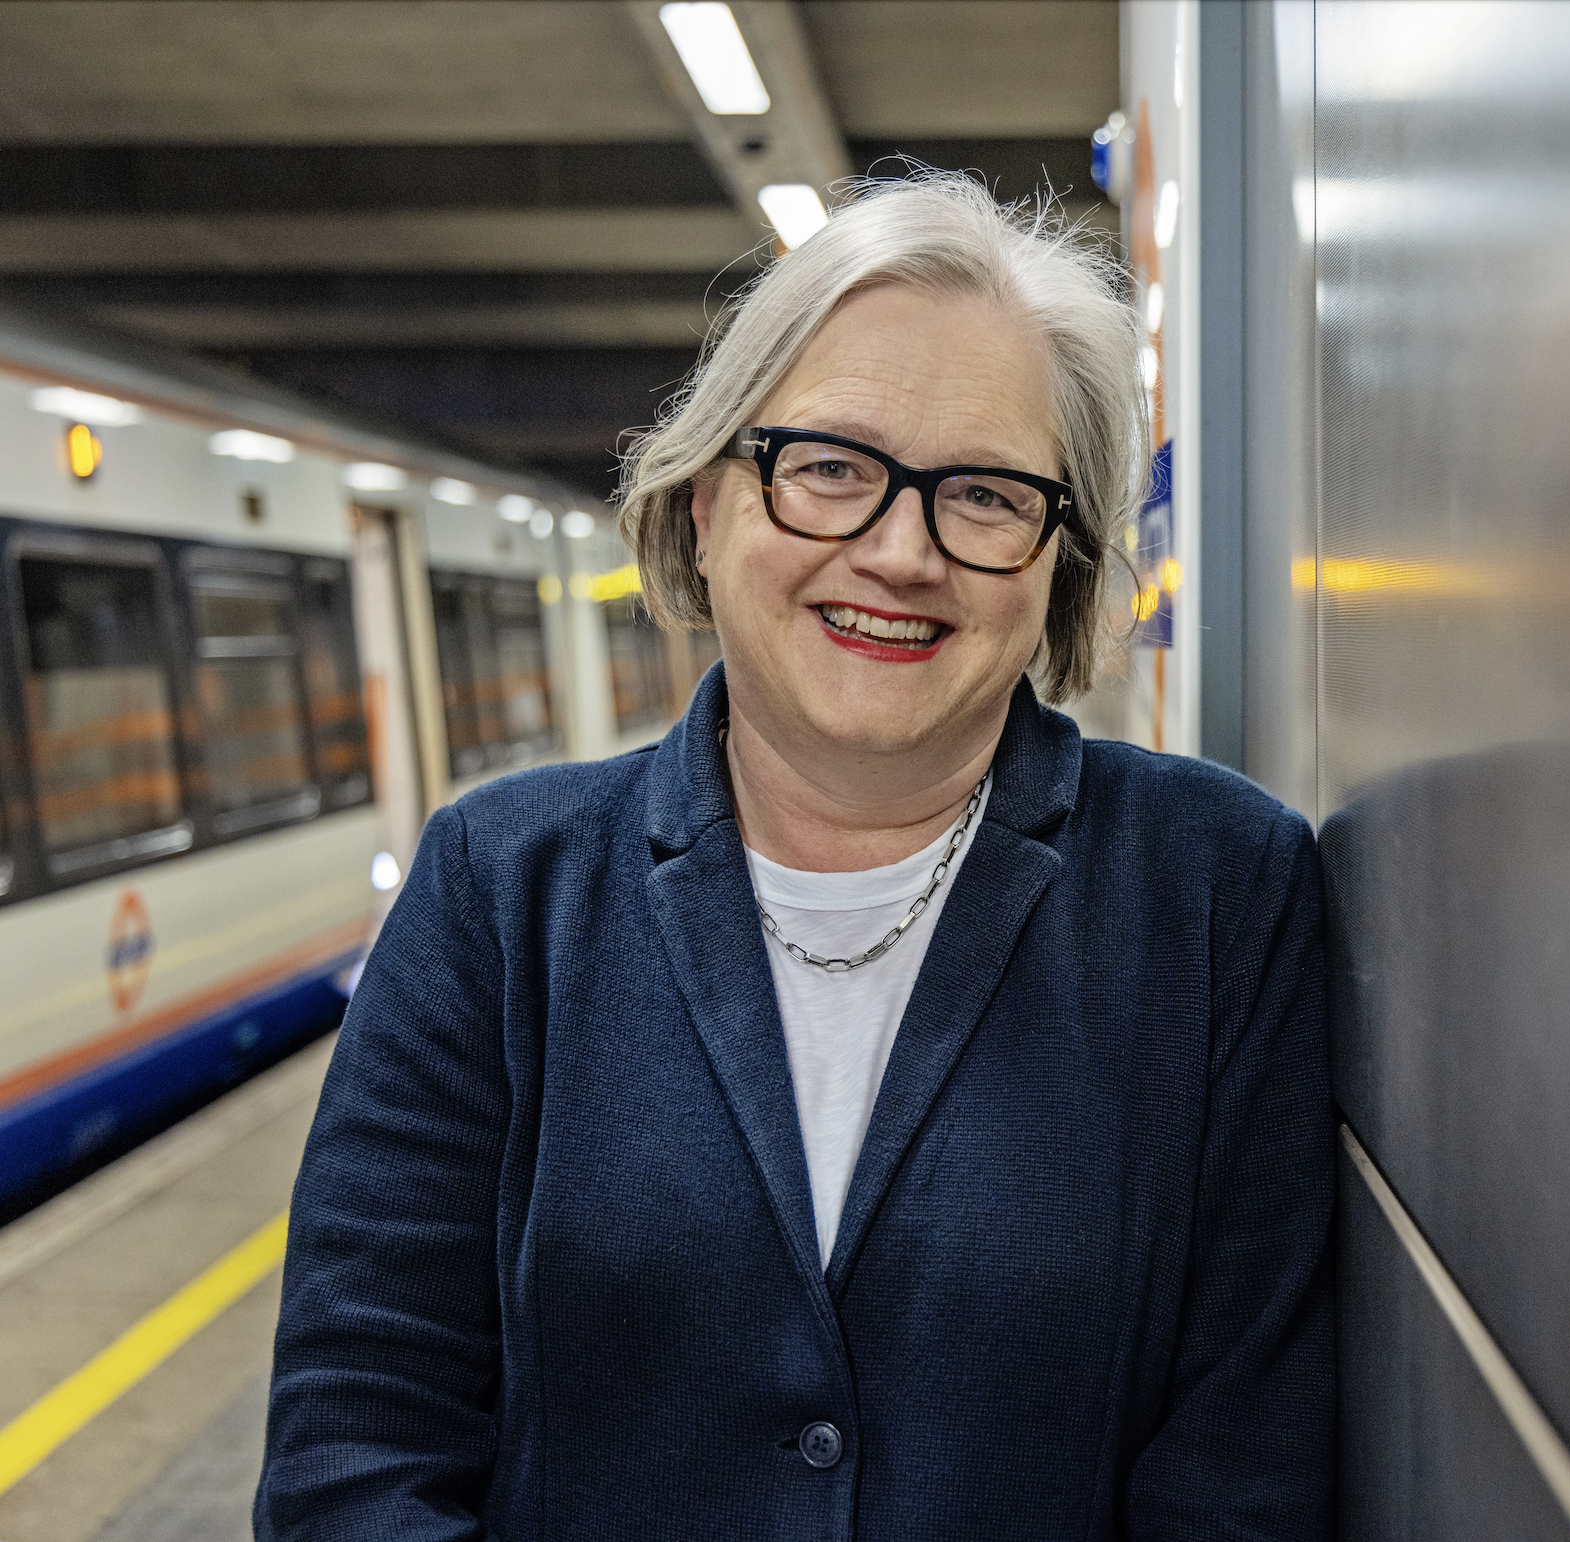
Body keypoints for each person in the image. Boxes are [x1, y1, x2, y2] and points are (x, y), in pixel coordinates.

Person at [254, 176, 1334, 1540]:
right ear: (709, 507)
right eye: (829, 467)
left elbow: (1244, 1471)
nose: (898, 550)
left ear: (1055, 564)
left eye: (986, 495)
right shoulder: (497, 891)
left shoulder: (1221, 889)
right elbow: (357, 1451)